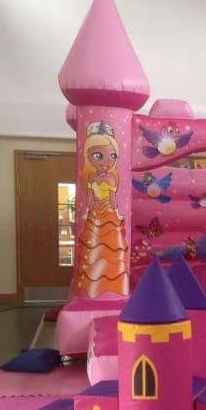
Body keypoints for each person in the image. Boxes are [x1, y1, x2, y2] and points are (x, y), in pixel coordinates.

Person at [75, 121, 129, 297]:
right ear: (89, 157)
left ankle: (110, 283)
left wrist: (117, 213)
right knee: (94, 244)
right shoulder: (91, 177)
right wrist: (86, 211)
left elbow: (113, 198)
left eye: (112, 156)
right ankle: (92, 283)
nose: (107, 162)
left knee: (110, 246)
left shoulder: (111, 179)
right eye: (99, 156)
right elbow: (90, 196)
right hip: (95, 212)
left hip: (108, 212)